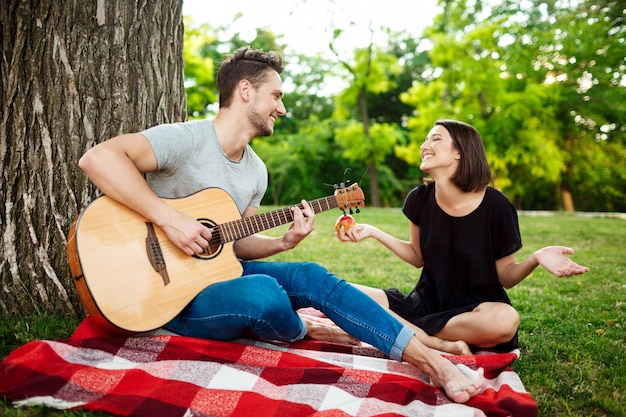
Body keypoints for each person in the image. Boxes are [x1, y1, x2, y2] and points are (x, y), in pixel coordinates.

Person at [78, 47, 483, 403]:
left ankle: (430, 360)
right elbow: (97, 159)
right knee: (263, 293)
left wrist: (284, 243)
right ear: (245, 91)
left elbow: (237, 243)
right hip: (164, 296)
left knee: (311, 276)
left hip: (219, 275)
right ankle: (302, 327)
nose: (282, 108)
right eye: (277, 96)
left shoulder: (256, 171)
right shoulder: (186, 139)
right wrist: (170, 219)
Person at [337, 119, 590, 353]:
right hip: (423, 304)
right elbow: (417, 257)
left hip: (475, 312)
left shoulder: (497, 206)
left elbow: (507, 276)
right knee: (337, 292)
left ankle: (404, 328)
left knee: (505, 321)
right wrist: (373, 232)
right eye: (425, 140)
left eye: (435, 139)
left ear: (459, 151)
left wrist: (535, 257)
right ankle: (432, 341)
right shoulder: (419, 199)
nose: (425, 145)